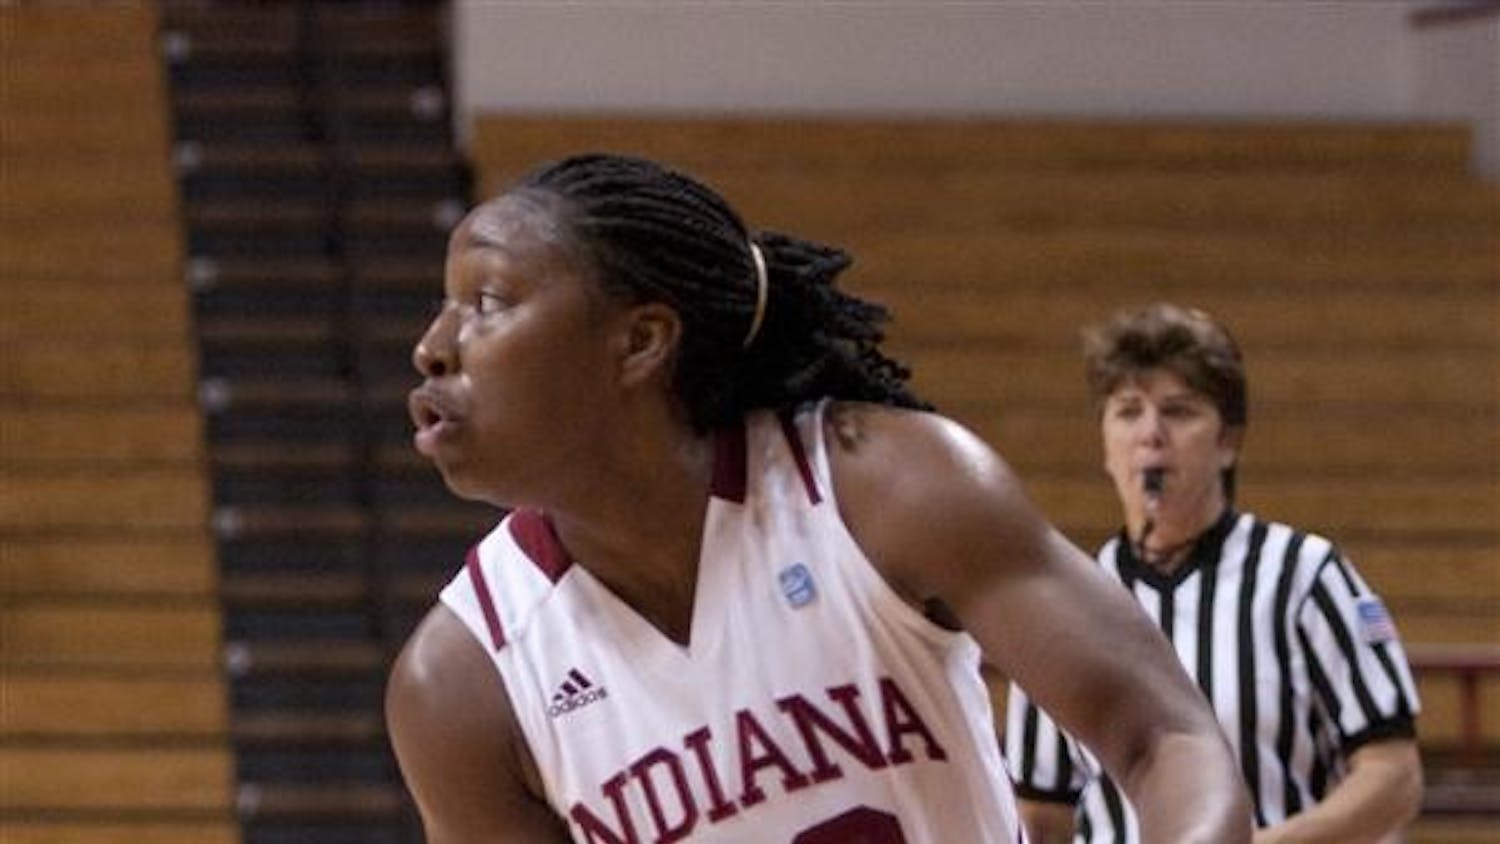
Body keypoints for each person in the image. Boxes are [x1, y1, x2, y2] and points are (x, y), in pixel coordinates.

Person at [385, 153, 1250, 844]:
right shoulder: (461, 683)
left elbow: (1163, 739)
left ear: (640, 341)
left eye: (486, 303)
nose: (433, 346)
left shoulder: (881, 488)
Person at [1004, 303, 1423, 844]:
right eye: (1128, 411)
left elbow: (1394, 778)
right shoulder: (1061, 607)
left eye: (1178, 412)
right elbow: (1041, 816)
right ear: (1105, 444)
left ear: (1228, 443)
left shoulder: (1304, 575)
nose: (1151, 434)